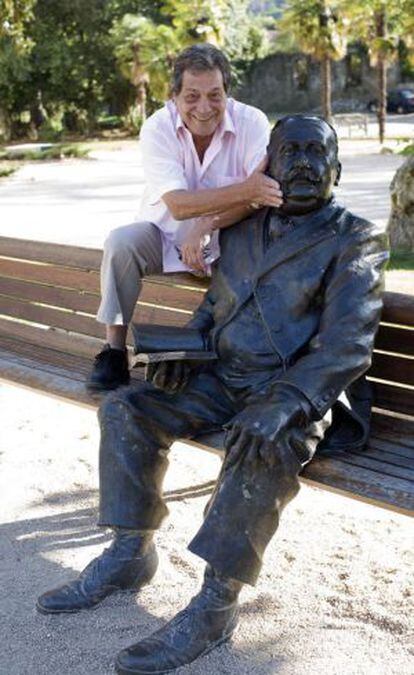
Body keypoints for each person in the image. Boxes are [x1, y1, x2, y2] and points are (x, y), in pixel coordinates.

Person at [37, 115, 389, 675]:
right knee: (127, 405)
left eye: (314, 152)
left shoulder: (356, 237)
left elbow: (347, 347)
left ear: (337, 170)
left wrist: (282, 404)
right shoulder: (244, 229)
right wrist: (186, 353)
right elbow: (213, 312)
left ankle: (215, 606)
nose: (301, 162)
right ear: (266, 166)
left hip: (294, 393)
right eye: (289, 151)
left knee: (260, 440)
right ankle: (130, 553)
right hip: (220, 379)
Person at [87, 42, 282, 393]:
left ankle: (243, 366)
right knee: (121, 242)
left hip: (231, 242)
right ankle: (113, 351)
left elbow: (263, 195)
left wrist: (208, 223)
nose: (204, 108)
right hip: (164, 235)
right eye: (192, 96)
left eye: (215, 95)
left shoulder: (252, 122)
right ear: (173, 95)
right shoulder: (157, 127)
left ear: (227, 93)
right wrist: (245, 191)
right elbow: (178, 205)